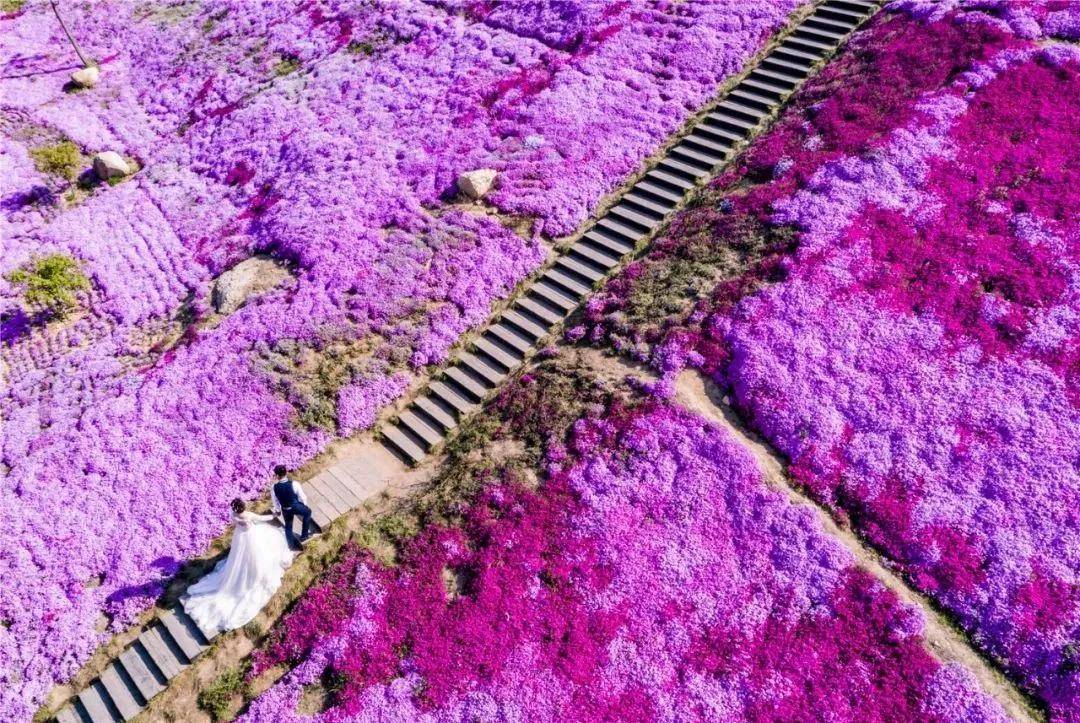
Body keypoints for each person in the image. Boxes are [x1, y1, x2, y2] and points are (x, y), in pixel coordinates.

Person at [181, 499, 294, 635]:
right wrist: (274, 515)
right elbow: (262, 518)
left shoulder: (233, 514)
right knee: (258, 555)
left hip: (240, 537)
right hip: (250, 538)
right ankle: (252, 574)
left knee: (239, 558)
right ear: (243, 507)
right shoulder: (247, 515)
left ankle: (243, 572)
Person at [271, 464, 321, 551]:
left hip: (285, 509)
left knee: (288, 526)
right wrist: (304, 505)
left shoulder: (274, 487)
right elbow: (302, 497)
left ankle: (291, 545)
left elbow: (275, 501)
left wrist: (278, 510)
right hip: (295, 506)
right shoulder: (294, 484)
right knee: (308, 512)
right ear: (286, 473)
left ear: (277, 475)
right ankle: (304, 536)